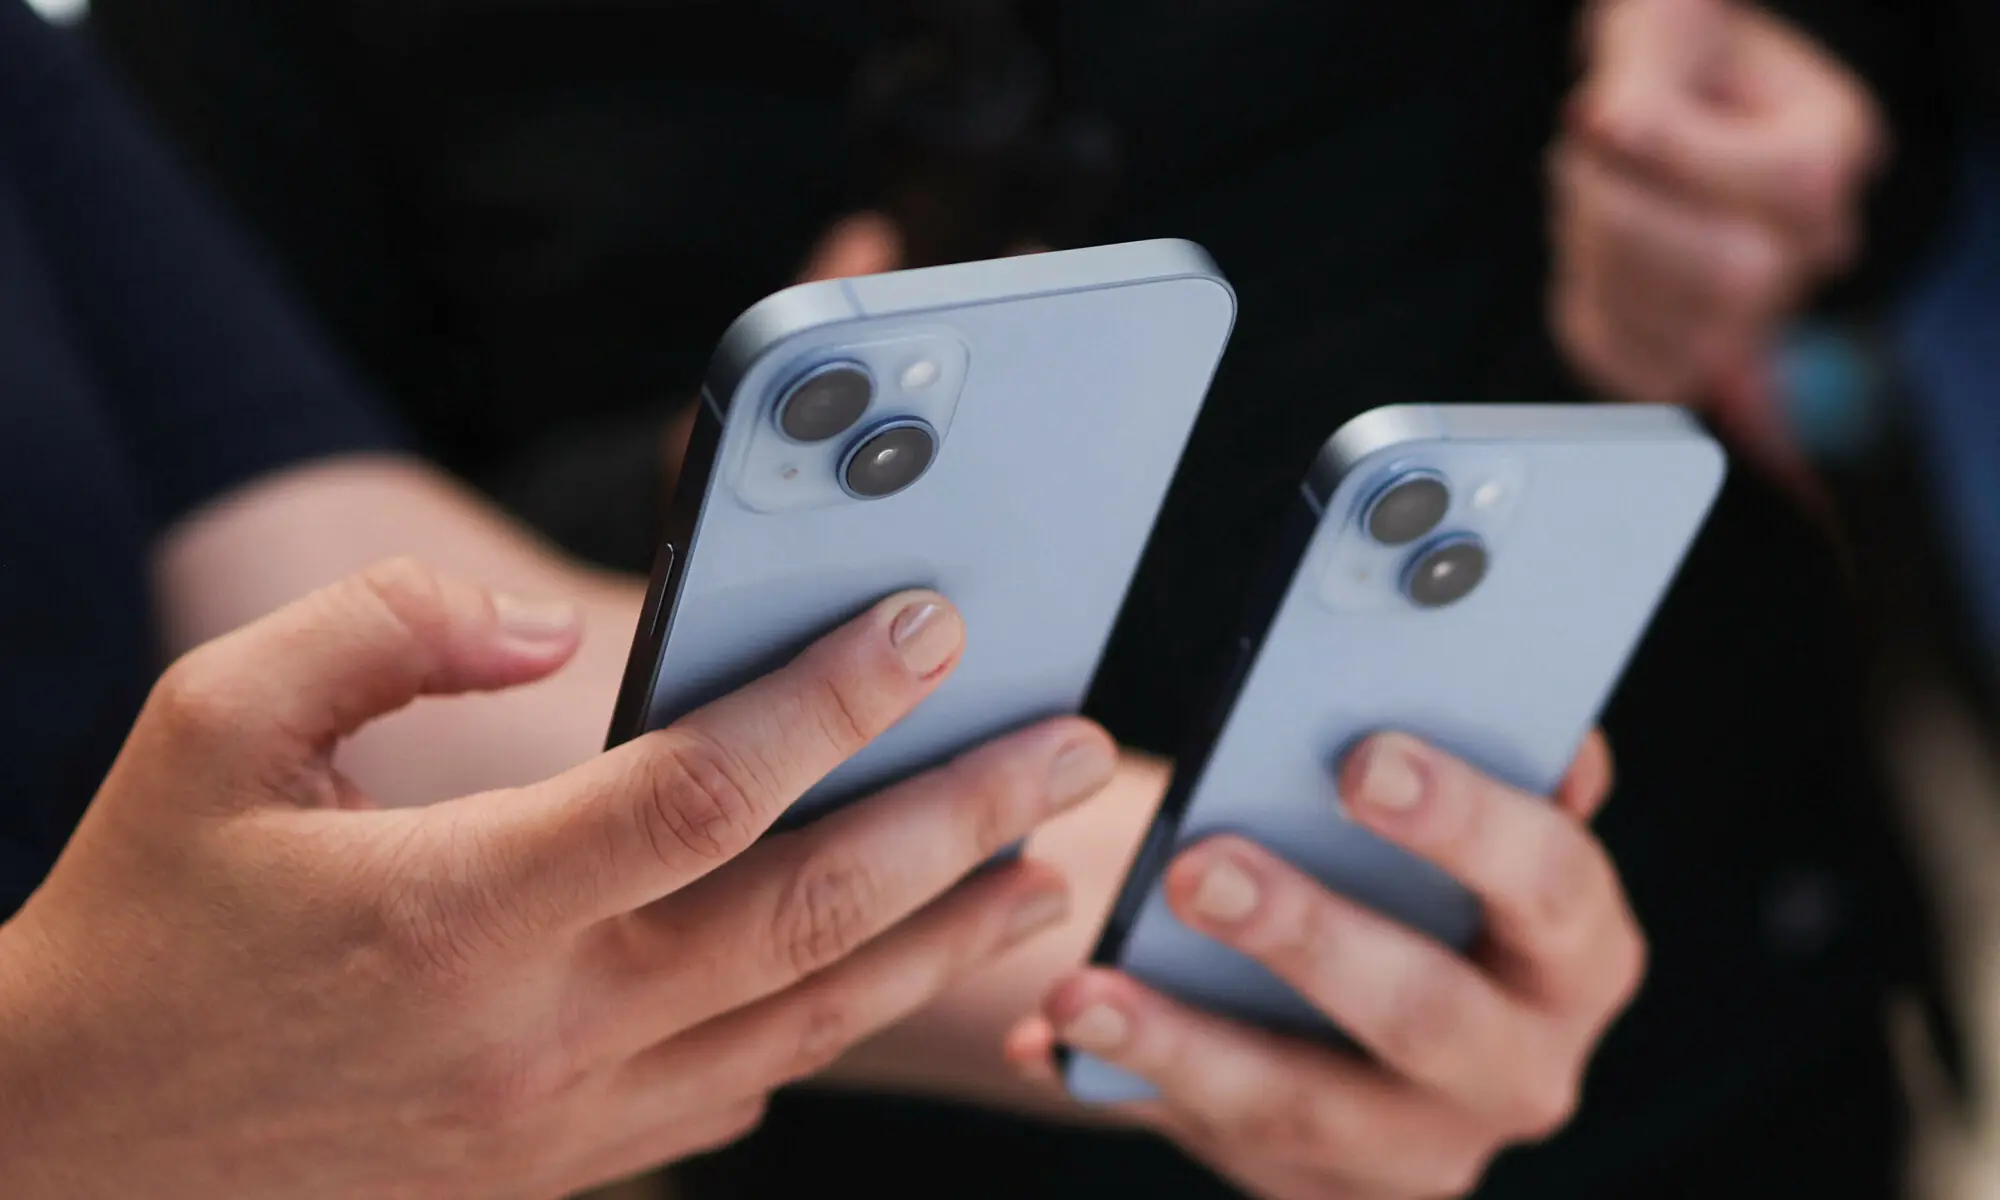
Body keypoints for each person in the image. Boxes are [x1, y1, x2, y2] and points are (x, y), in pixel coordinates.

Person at [79, 0, 1945, 1195]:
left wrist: (1809, 71)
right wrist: (695, 520)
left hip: (1681, 919)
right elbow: (245, 518)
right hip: (882, 1105)